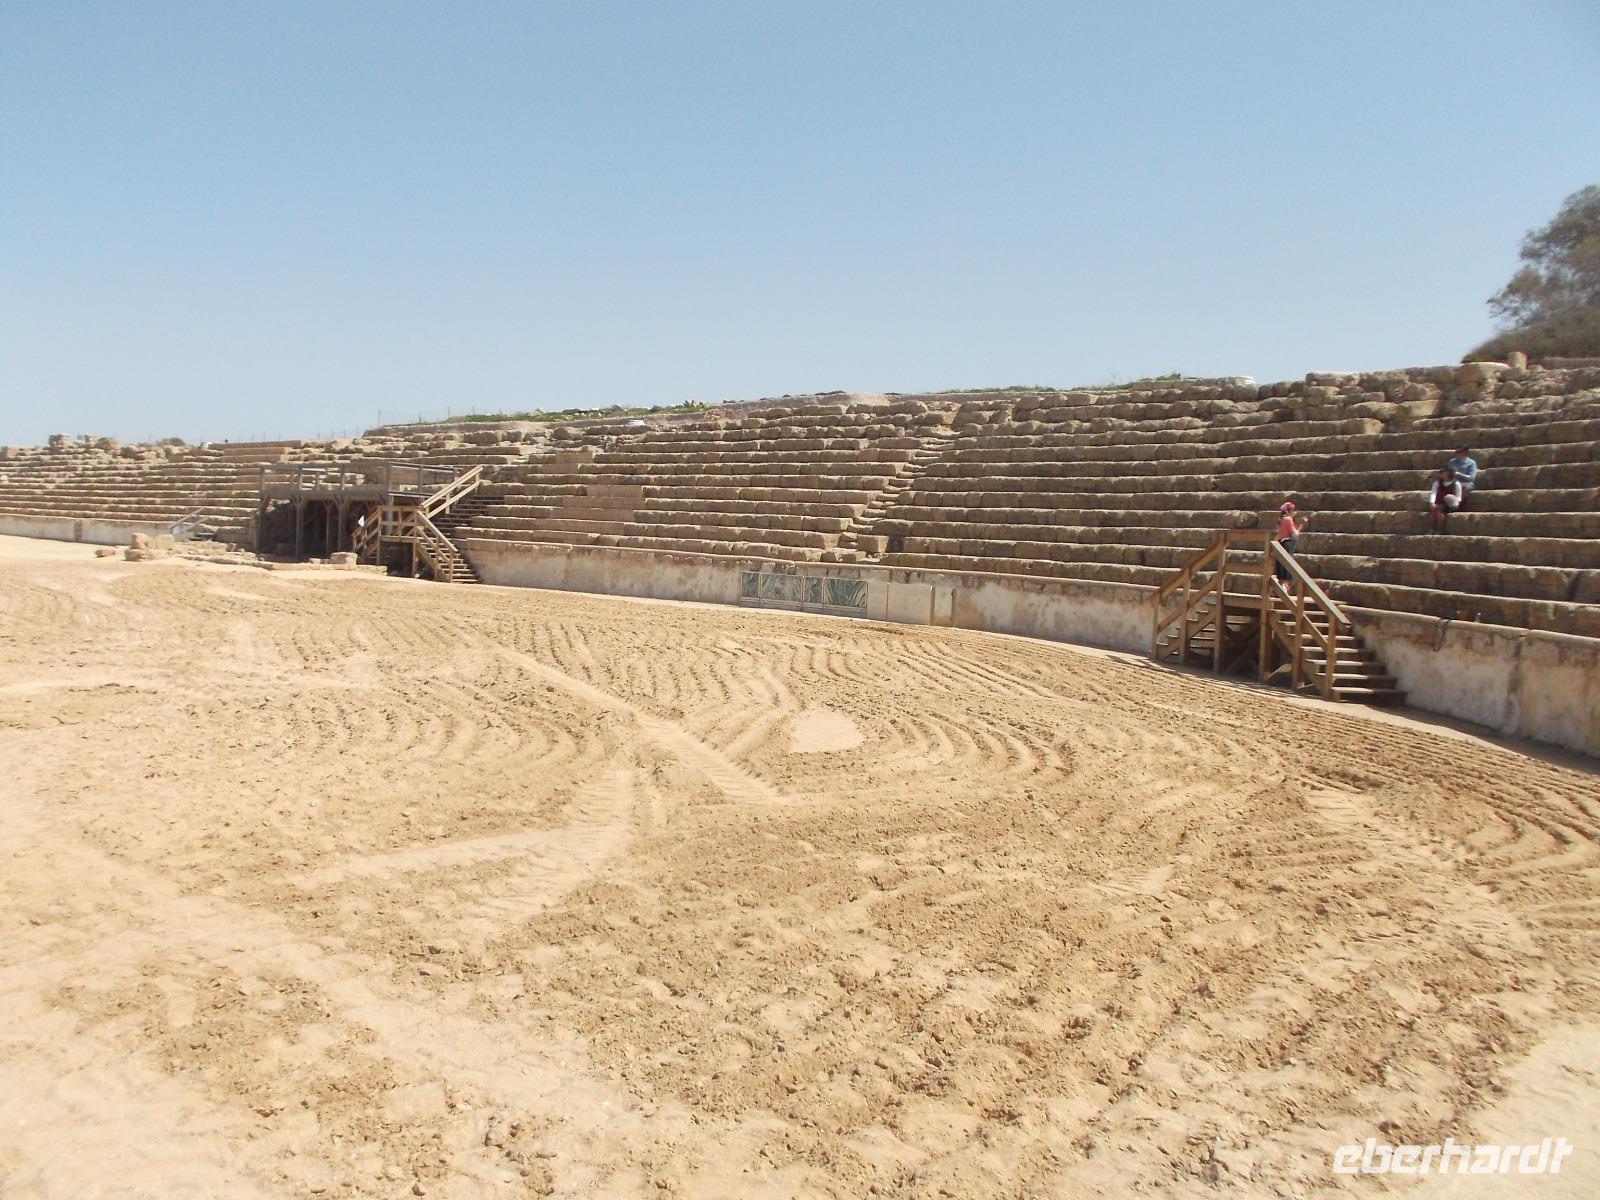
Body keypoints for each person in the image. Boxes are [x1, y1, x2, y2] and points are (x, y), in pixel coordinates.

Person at [1275, 501, 1307, 579]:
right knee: (1286, 567)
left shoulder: (1280, 520)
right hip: (1287, 544)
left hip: (1280, 543)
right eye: (1293, 510)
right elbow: (1295, 535)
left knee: (1281, 568)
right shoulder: (1288, 520)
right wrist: (1302, 524)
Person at [1428, 467, 1462, 533]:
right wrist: (1432, 502)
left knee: (1439, 509)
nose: (1440, 473)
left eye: (1442, 472)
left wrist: (1451, 500)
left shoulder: (1456, 484)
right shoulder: (1437, 483)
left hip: (1450, 504)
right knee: (1433, 510)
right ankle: (1431, 529)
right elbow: (1433, 493)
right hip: (1439, 503)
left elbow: (1459, 497)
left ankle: (1439, 530)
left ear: (1448, 473)